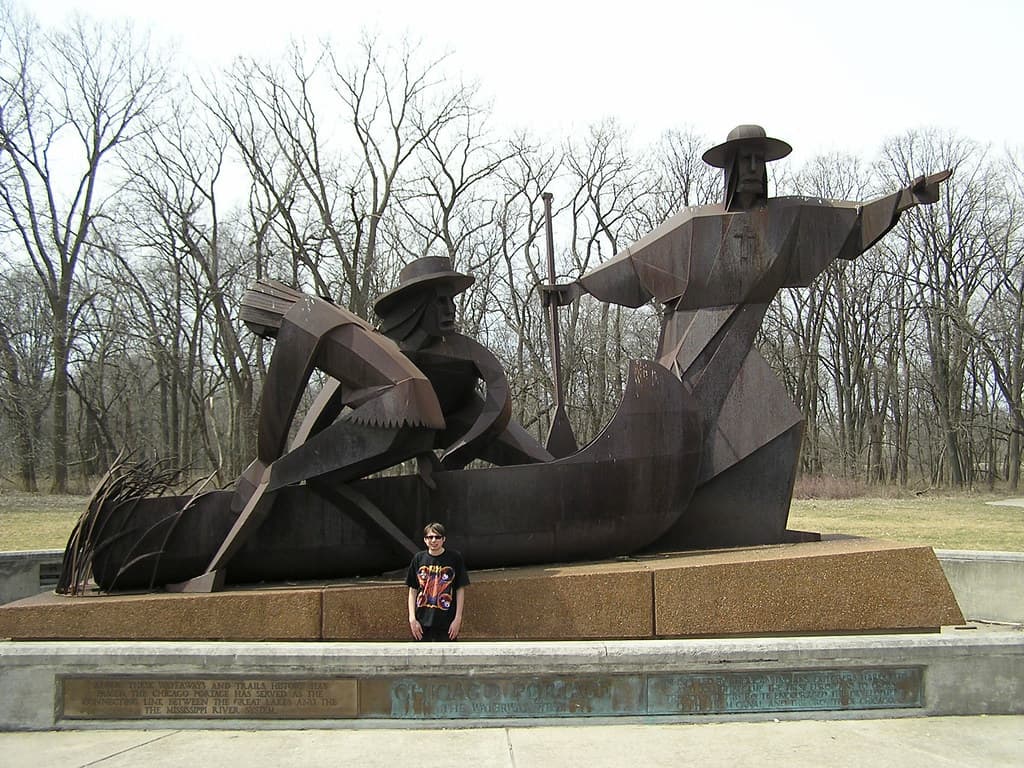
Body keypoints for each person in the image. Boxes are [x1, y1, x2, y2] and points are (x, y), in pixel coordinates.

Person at [542, 124, 950, 548]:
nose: (755, 168)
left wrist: (905, 199)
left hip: (738, 344)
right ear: (731, 168)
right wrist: (579, 287)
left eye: (761, 160)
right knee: (689, 437)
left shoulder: (787, 220)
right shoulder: (698, 225)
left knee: (778, 426)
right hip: (688, 346)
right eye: (746, 160)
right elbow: (637, 262)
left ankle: (746, 524)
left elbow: (853, 222)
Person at [406, 522, 470, 641]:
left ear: (443, 539)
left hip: (447, 622)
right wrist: (412, 618)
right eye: (430, 537)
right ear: (425, 540)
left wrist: (458, 619)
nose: (434, 540)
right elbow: (413, 589)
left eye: (437, 537)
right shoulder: (418, 558)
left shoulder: (455, 558)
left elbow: (460, 589)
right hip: (422, 621)